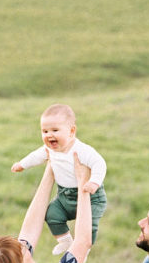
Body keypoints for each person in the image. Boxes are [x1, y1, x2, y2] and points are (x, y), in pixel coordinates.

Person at [11, 103, 107, 255]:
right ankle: (65, 240)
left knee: (89, 225)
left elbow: (99, 163)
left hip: (90, 196)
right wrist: (22, 164)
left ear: (71, 131)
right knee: (51, 214)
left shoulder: (81, 150)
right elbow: (35, 156)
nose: (49, 135)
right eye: (45, 131)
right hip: (64, 195)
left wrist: (94, 182)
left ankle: (84, 249)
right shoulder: (49, 149)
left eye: (55, 130)